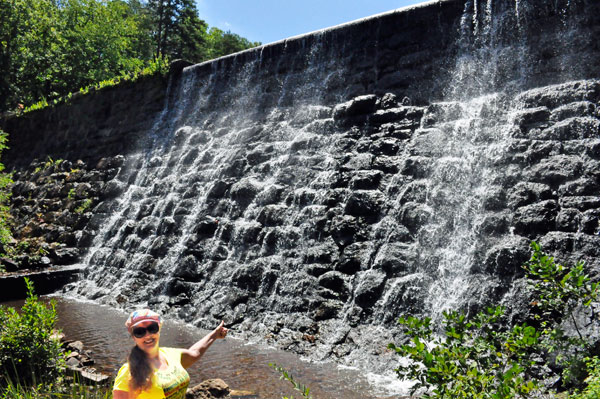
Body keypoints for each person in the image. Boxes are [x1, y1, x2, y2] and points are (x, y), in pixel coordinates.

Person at [113, 309, 228, 399]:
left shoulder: (170, 354)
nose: (147, 335)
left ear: (159, 328)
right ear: (133, 337)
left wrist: (215, 335)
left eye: (152, 328)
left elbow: (194, 353)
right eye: (139, 332)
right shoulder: (129, 371)